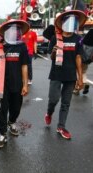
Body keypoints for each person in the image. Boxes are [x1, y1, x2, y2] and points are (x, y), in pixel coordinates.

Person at [44, 10, 86, 139]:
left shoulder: (78, 39)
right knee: (54, 99)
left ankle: (61, 126)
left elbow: (78, 58)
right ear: (62, 23)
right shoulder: (55, 38)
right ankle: (49, 113)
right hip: (56, 74)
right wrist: (54, 52)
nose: (71, 23)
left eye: (74, 21)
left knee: (66, 103)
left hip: (70, 76)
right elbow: (51, 56)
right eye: (69, 20)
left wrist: (80, 79)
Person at [0, 19, 29, 149]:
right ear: (5, 32)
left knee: (16, 108)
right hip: (2, 84)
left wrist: (25, 84)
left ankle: (12, 122)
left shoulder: (22, 47)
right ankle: (2, 134)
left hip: (17, 83)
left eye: (16, 30)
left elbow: (24, 66)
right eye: (10, 30)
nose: (13, 32)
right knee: (2, 110)